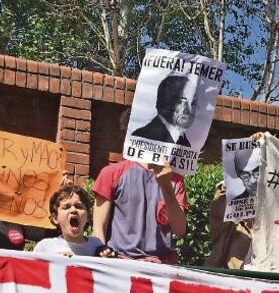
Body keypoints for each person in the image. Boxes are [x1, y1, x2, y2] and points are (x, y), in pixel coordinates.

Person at [91, 117, 188, 262]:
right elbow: (99, 226)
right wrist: (102, 258)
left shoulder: (175, 179)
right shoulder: (111, 173)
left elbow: (180, 230)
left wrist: (166, 187)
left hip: (161, 268)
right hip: (121, 265)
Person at [33, 182, 115, 258]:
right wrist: (55, 261)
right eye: (66, 207)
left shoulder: (96, 244)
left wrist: (106, 256)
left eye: (79, 206)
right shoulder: (45, 247)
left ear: (87, 216)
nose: (73, 210)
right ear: (55, 218)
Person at [131, 74, 196, 146]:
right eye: (181, 102)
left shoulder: (185, 142)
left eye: (193, 102)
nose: (188, 110)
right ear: (165, 101)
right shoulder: (142, 137)